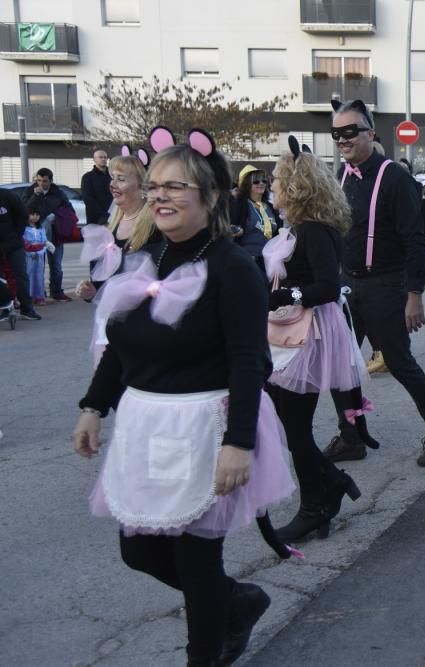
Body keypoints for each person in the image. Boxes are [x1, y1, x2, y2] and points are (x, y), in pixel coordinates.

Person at [72, 129, 295, 665]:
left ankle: (208, 647)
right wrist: (92, 406)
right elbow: (121, 346)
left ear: (210, 195)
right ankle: (236, 600)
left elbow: (250, 361)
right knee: (139, 548)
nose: (160, 197)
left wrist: (238, 442)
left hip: (204, 426)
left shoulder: (234, 267)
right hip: (146, 424)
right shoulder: (147, 258)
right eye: (153, 187)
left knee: (196, 562)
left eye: (175, 187)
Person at [324, 99, 425, 467]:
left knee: (400, 364)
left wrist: (414, 294)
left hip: (386, 286)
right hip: (348, 286)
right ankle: (352, 434)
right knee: (340, 364)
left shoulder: (395, 178)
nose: (343, 139)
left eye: (350, 131)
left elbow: (415, 240)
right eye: (337, 133)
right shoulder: (341, 175)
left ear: (370, 132)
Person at [265, 143, 365, 542]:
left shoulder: (313, 230)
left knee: (294, 426)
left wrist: (286, 296)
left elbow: (327, 285)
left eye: (275, 179)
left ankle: (317, 504)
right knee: (287, 422)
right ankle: (331, 486)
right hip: (289, 333)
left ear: (295, 184)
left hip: (307, 335)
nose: (271, 185)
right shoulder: (298, 228)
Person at [78, 154, 160, 300]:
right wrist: (91, 290)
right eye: (112, 177)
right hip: (114, 317)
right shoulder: (111, 225)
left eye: (120, 179)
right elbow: (105, 280)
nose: (112, 184)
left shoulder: (156, 227)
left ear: (142, 188)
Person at [21, 168, 72, 302]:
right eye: (38, 180)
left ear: (50, 181)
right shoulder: (30, 191)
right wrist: (36, 196)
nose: (41, 183)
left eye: (44, 181)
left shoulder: (58, 193)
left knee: (56, 265)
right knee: (37, 266)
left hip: (56, 233)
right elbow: (25, 209)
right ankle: (38, 293)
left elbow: (69, 209)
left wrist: (58, 215)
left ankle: (56, 291)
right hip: (35, 235)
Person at [0, 185, 39, 320]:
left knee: (20, 275)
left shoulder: (7, 196)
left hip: (13, 243)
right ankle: (4, 308)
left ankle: (26, 309)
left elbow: (22, 215)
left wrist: (16, 235)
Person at [230, 165, 280, 263]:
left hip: (270, 262)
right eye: (256, 181)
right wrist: (236, 230)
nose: (261, 183)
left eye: (264, 180)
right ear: (247, 184)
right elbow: (230, 229)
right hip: (247, 261)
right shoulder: (239, 204)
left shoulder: (271, 207)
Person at [22, 204, 50, 306]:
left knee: (39, 275)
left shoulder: (41, 228)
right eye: (32, 214)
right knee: (28, 275)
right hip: (28, 254)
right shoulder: (24, 228)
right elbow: (23, 242)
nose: (35, 217)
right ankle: (28, 297)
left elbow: (44, 240)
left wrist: (45, 247)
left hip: (40, 254)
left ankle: (39, 296)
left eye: (37, 214)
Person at [81, 149, 113, 225]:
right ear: (94, 159)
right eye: (100, 157)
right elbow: (88, 199)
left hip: (113, 215)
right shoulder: (88, 177)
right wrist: (103, 214)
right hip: (96, 218)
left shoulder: (113, 176)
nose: (103, 159)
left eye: (105, 157)